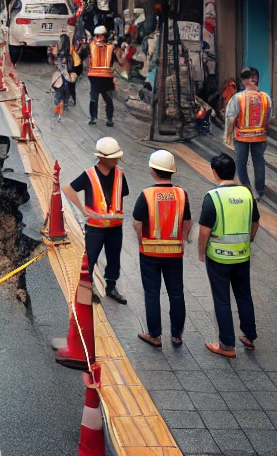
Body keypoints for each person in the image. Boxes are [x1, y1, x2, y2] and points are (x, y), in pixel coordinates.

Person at [198, 152, 260, 358]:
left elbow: (205, 231)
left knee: (222, 300)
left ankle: (226, 345)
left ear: (214, 172)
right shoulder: (247, 194)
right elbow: (255, 223)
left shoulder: (212, 197)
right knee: (244, 295)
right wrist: (248, 240)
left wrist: (201, 252)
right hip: (243, 255)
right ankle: (249, 336)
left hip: (218, 257)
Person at [133, 150, 192, 349]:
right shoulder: (181, 194)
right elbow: (188, 222)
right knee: (176, 294)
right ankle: (176, 336)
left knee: (152, 293)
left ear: (152, 170)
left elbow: (137, 223)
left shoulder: (146, 195)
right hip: (174, 253)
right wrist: (182, 239)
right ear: (171, 171)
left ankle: (155, 336)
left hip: (150, 253)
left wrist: (142, 241)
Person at [63, 137, 129, 303]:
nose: (117, 159)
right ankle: (86, 289)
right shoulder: (89, 175)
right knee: (90, 259)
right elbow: (68, 188)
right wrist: (82, 209)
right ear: (102, 158)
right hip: (95, 228)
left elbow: (121, 196)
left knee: (114, 259)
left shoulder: (121, 175)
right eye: (114, 157)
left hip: (115, 228)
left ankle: (111, 286)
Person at [224, 66, 273, 201]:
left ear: (243, 80)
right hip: (260, 136)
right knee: (259, 162)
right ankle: (260, 191)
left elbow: (230, 118)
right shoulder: (266, 98)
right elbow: (269, 117)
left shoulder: (238, 98)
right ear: (256, 79)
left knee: (241, 163)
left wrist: (228, 135)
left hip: (241, 137)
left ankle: (246, 189)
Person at [87, 25, 117, 126]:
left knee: (102, 99)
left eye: (99, 36)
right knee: (97, 99)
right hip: (100, 77)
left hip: (101, 78)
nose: (97, 39)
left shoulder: (108, 47)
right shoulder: (110, 47)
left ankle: (102, 119)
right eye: (96, 36)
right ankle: (101, 119)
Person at [52, 35, 79, 119]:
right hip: (67, 77)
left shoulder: (60, 54)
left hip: (61, 77)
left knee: (59, 94)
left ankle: (58, 108)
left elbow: (60, 66)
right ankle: (64, 105)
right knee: (65, 93)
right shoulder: (69, 55)